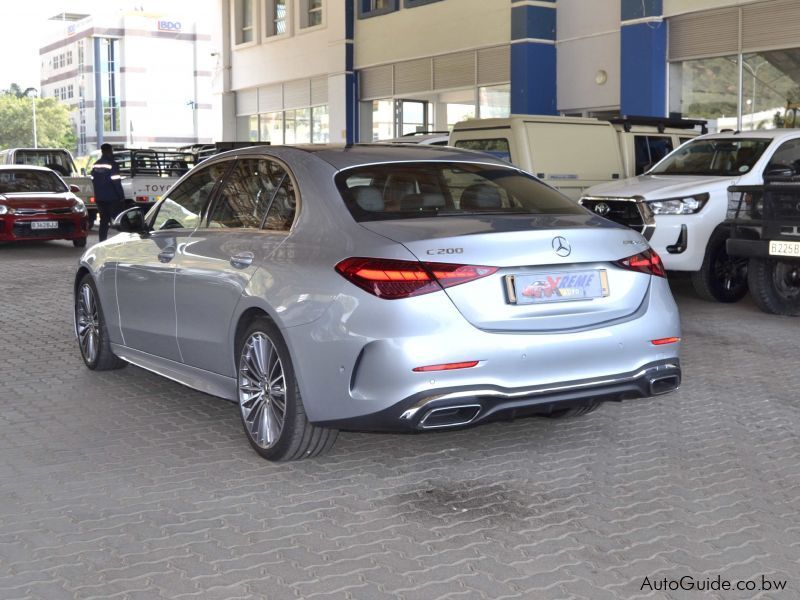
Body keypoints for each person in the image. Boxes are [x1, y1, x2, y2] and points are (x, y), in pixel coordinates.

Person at [90, 143, 126, 242]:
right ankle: (125, 240)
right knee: (120, 219)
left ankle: (102, 241)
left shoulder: (96, 164)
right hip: (112, 198)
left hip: (100, 198)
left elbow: (92, 179)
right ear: (109, 151)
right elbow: (116, 182)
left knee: (104, 221)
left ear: (102, 151)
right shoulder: (112, 164)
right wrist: (121, 196)